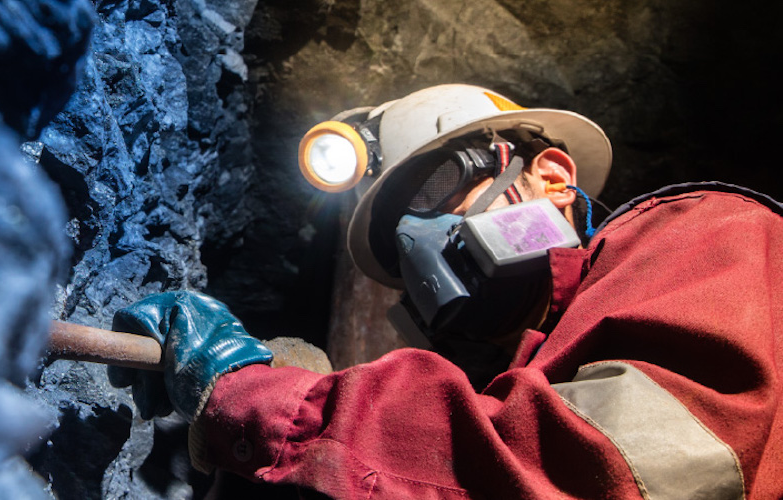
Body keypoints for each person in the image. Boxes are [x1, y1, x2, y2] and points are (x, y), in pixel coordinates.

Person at [114, 85, 783, 498]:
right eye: (397, 246)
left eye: (436, 190)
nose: (418, 242)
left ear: (552, 176)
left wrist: (272, 404)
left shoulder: (705, 233)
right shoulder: (520, 378)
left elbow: (606, 472)